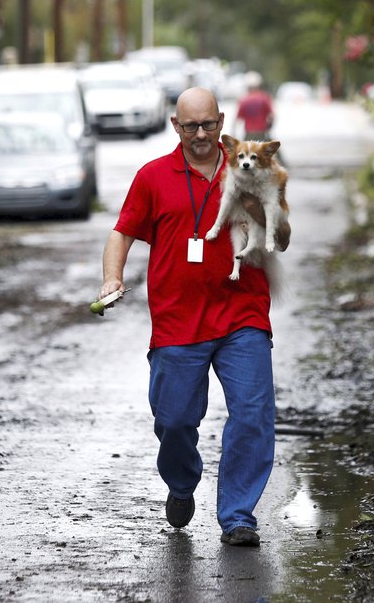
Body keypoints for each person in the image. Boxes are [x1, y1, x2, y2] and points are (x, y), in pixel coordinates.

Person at [98, 87, 290, 547]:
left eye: (208, 125)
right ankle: (182, 483)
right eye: (191, 126)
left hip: (242, 313)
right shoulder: (153, 176)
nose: (201, 134)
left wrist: (259, 216)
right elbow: (122, 234)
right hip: (177, 320)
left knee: (252, 414)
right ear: (175, 126)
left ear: (222, 122)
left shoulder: (250, 167)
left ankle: (238, 514)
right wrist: (111, 278)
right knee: (176, 419)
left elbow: (282, 238)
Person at [235, 71, 275, 140]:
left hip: (249, 134)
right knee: (274, 149)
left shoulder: (243, 100)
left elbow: (238, 119)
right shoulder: (264, 98)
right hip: (262, 133)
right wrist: (269, 127)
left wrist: (233, 133)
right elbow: (271, 116)